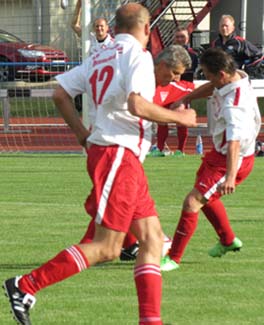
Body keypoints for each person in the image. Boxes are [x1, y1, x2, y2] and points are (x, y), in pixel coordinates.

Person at [3, 3, 196, 324]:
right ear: (147, 30)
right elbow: (137, 104)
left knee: (152, 240)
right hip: (117, 154)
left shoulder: (99, 55)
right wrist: (180, 117)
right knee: (106, 247)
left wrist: (82, 135)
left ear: (116, 27)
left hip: (118, 156)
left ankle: (151, 320)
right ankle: (25, 285)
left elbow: (60, 94)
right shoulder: (137, 56)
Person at [161, 48, 261, 272]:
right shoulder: (237, 77)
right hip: (220, 153)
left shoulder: (234, 105)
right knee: (205, 196)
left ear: (222, 75)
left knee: (192, 202)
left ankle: (173, 258)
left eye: (207, 74)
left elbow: (234, 141)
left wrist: (230, 177)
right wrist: (186, 97)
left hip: (232, 159)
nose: (206, 78)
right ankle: (228, 240)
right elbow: (212, 88)